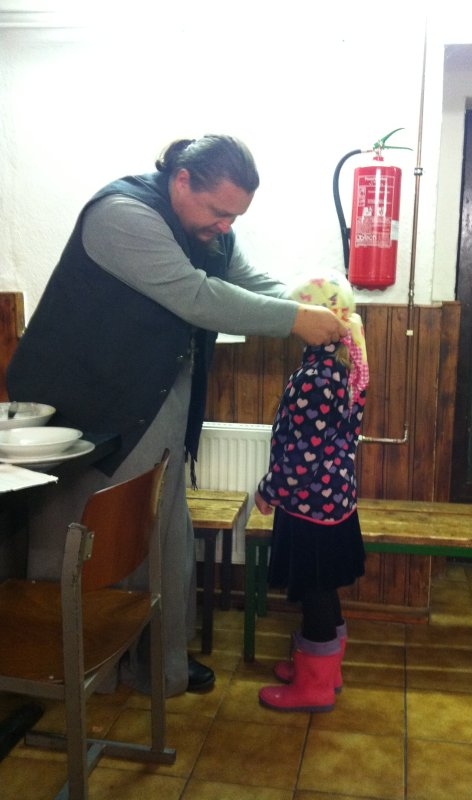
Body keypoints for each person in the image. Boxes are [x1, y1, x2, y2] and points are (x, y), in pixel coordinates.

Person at [6, 135, 347, 697]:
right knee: (91, 535)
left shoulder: (211, 232)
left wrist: (318, 304)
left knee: (160, 529)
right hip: (87, 405)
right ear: (181, 180)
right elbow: (198, 296)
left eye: (235, 217)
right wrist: (294, 321)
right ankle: (85, 670)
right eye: (219, 212)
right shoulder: (120, 215)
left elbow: (248, 284)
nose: (225, 226)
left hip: (157, 394)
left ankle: (158, 663)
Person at [254, 271, 368, 713]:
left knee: (316, 592)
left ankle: (314, 687)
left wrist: (269, 490)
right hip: (333, 501)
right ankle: (324, 670)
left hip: (310, 505)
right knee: (324, 588)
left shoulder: (315, 377)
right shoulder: (341, 366)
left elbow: (303, 454)